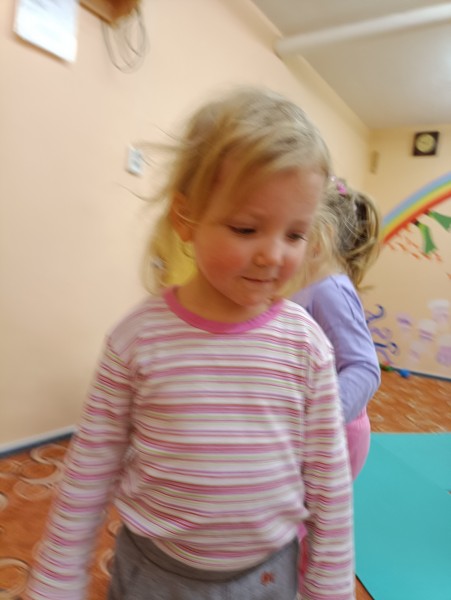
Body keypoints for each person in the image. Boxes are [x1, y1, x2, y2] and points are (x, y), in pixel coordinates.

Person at [25, 87, 355, 600]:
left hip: (267, 576)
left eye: (294, 235)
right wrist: (57, 577)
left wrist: (329, 586)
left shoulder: (306, 344)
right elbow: (91, 465)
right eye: (246, 228)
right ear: (186, 217)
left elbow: (329, 480)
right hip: (156, 575)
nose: (273, 255)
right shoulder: (137, 338)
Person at [292, 178, 381, 479]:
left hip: (337, 436)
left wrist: (319, 424)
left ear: (320, 239)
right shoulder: (302, 284)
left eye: (293, 234)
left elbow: (364, 367)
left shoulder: (329, 289)